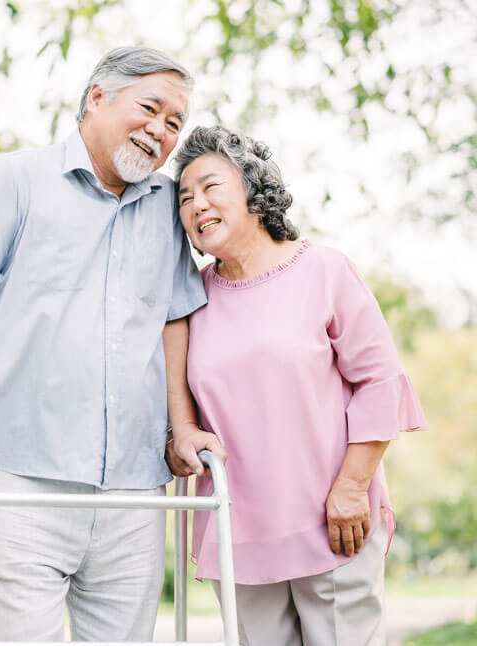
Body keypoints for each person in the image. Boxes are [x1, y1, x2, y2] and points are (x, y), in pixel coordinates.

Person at [0, 47, 225, 643]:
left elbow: (172, 322)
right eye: (150, 108)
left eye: (175, 123)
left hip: (135, 491)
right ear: (97, 97)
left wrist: (181, 427)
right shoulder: (13, 179)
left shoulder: (169, 207)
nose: (160, 131)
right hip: (21, 481)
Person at [169, 125, 427, 645]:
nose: (197, 204)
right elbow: (182, 409)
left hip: (333, 521)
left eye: (211, 187)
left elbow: (380, 381)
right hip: (237, 531)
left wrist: (354, 488)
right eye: (184, 197)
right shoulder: (190, 300)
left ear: (254, 191)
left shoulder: (324, 271)